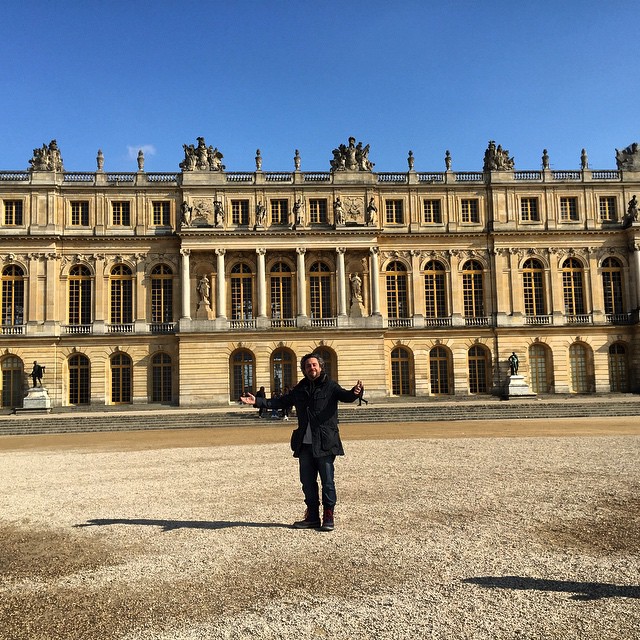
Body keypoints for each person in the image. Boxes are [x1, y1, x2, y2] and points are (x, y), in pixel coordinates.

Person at [241, 353, 362, 531]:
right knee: (307, 482)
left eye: (314, 365)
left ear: (320, 367)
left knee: (328, 481)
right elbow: (281, 401)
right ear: (304, 370)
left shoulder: (330, 386)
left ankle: (329, 516)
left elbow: (346, 396)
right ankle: (312, 516)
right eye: (308, 366)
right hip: (305, 443)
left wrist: (356, 392)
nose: (311, 368)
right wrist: (257, 401)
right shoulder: (301, 388)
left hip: (325, 442)